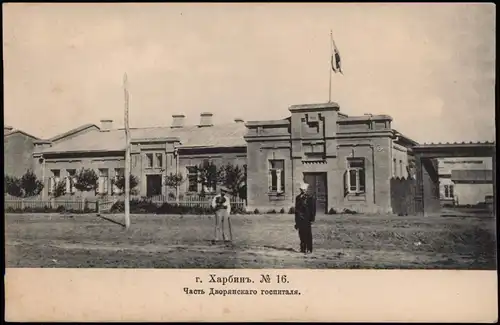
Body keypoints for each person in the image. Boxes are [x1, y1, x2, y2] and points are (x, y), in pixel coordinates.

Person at [294, 182, 316, 254]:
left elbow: (312, 209)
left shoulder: (310, 198)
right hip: (299, 218)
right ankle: (303, 248)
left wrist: (312, 219)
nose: (303, 190)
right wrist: (296, 221)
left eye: (304, 189)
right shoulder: (297, 198)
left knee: (308, 234)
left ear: (306, 190)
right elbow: (296, 210)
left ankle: (309, 248)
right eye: (301, 189)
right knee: (301, 234)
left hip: (307, 218)